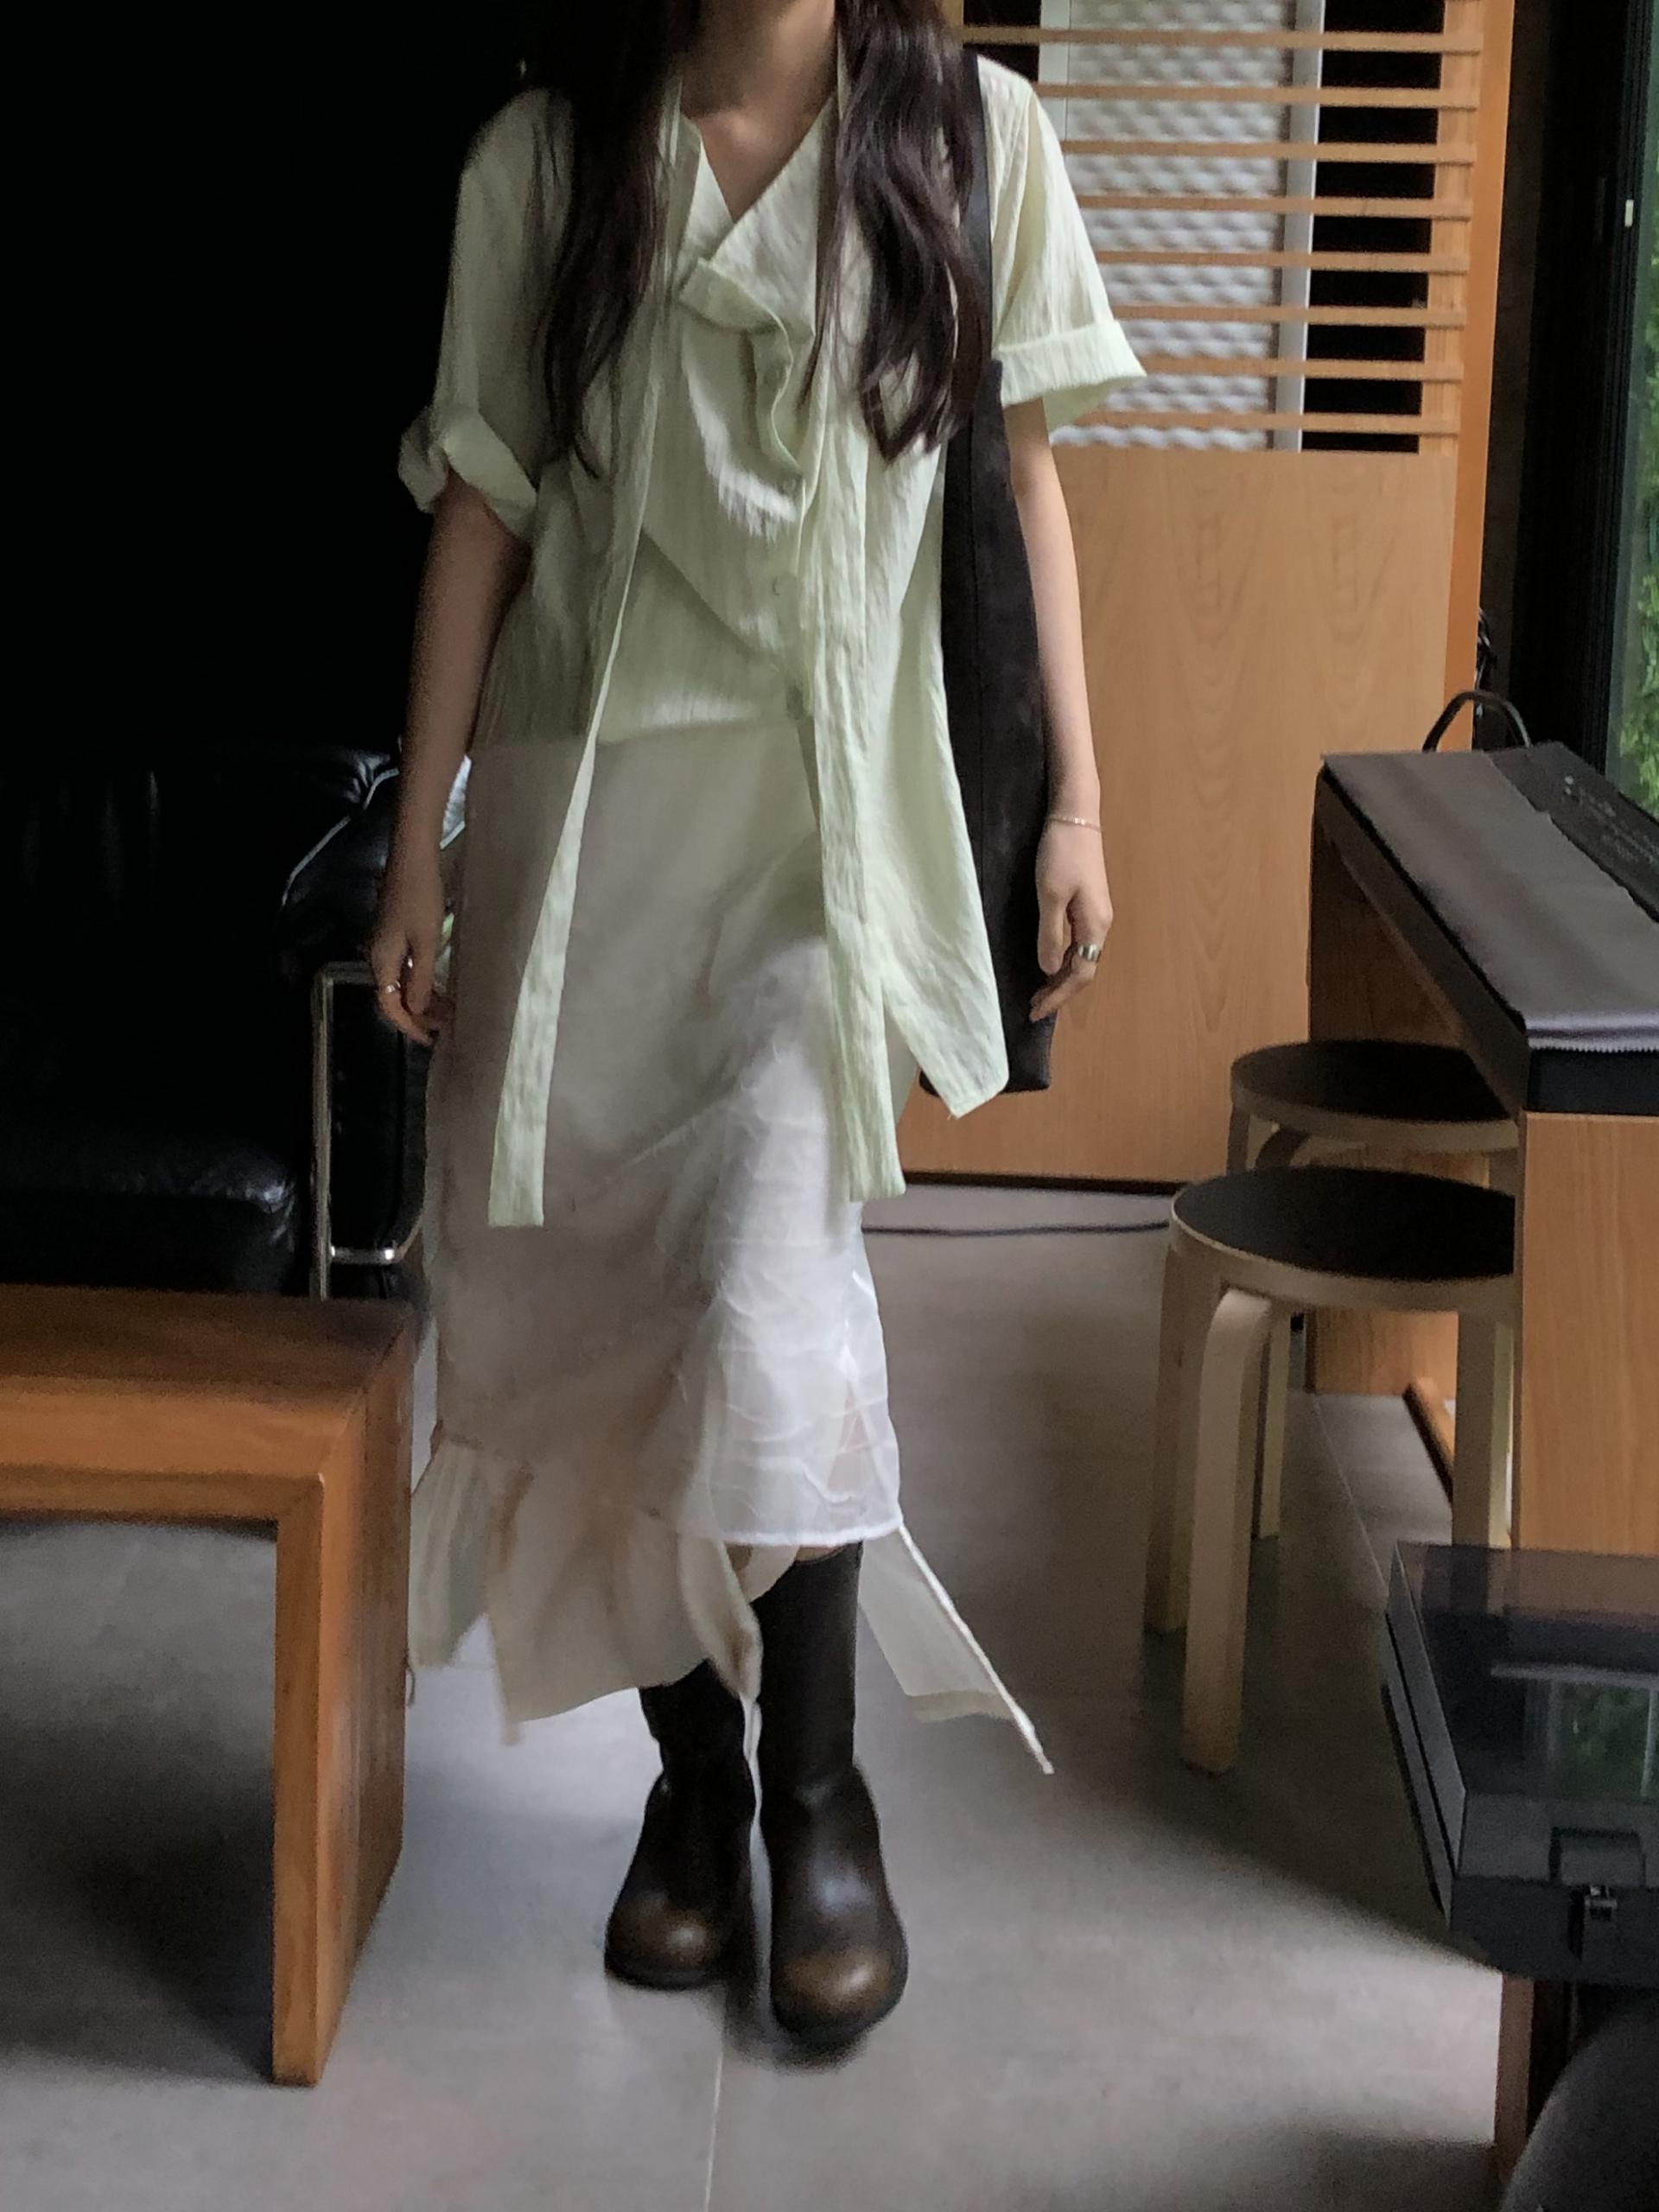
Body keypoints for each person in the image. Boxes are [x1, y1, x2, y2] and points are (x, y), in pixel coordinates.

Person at [372, 0, 1142, 2051]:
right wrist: (419, 844)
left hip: (819, 839)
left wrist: (1077, 796)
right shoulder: (545, 161)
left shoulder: (973, 139)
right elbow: (483, 507)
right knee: (614, 1321)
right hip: (582, 829)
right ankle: (693, 1791)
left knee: (760, 1303)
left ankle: (819, 1801)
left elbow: (1026, 480)